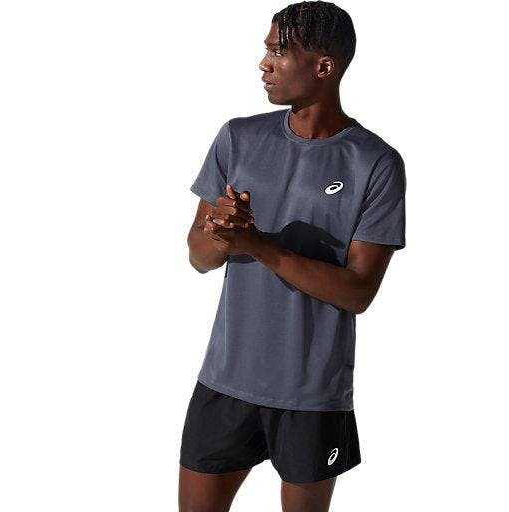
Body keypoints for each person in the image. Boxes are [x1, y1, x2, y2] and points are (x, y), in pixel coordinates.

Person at [178, 2, 406, 510]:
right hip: (225, 379)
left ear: (324, 66)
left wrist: (257, 244)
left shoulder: (376, 163)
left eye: (278, 51)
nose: (264, 63)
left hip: (311, 393)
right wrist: (223, 234)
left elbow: (358, 292)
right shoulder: (238, 137)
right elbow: (198, 256)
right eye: (266, 50)